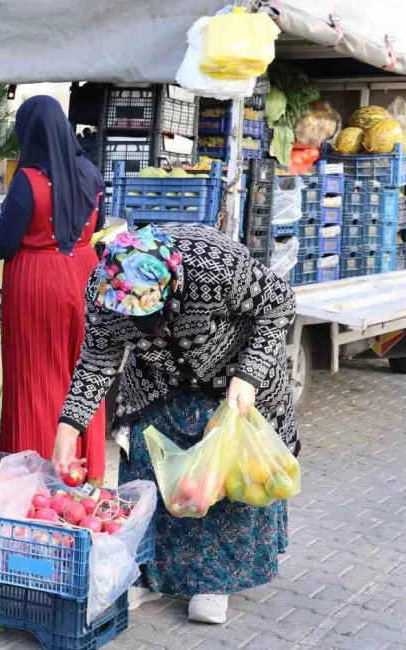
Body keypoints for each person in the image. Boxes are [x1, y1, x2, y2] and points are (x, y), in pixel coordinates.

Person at [53, 223, 299, 625]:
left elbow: (279, 305)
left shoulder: (214, 264)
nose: (144, 326)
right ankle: (151, 572)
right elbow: (98, 359)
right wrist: (69, 426)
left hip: (231, 376)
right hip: (155, 382)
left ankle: (212, 581)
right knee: (150, 473)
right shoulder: (104, 290)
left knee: (220, 478)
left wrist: (249, 375)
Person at [0, 95, 108, 484]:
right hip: (84, 275)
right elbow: (96, 224)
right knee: (83, 374)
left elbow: (3, 244)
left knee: (38, 375)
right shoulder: (91, 174)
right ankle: (86, 471)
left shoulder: (27, 182)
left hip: (37, 284)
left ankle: (36, 477)